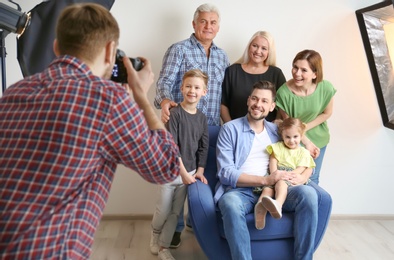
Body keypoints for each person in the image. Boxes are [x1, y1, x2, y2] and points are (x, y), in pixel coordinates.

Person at [0, 3, 180, 259]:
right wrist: (140, 96)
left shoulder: (14, 93)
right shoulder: (109, 99)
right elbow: (167, 167)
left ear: (56, 46)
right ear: (110, 51)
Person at [214, 80, 319, 260]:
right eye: (254, 99)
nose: (258, 104)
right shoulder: (230, 129)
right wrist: (265, 180)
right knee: (229, 203)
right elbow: (225, 172)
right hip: (242, 191)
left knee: (309, 195)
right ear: (248, 101)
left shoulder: (277, 130)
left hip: (278, 189)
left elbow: (297, 143)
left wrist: (301, 175)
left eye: (264, 101)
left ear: (272, 106)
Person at [154, 3, 229, 246]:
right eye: (204, 21)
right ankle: (172, 231)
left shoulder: (222, 55)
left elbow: (223, 94)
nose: (208, 26)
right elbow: (164, 82)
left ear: (218, 27)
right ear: (194, 24)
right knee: (179, 180)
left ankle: (194, 222)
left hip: (212, 128)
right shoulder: (179, 50)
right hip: (183, 126)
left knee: (203, 178)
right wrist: (165, 101)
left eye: (213, 22)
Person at [150, 69, 209, 260]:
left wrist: (199, 171)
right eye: (189, 86)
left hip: (189, 173)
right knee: (163, 210)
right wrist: (183, 173)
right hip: (171, 172)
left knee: (176, 213)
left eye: (197, 87)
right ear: (182, 88)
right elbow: (173, 147)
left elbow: (204, 146)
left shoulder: (202, 118)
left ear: (204, 92)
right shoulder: (174, 114)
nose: (192, 90)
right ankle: (155, 233)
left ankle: (163, 247)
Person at [276, 49, 336, 184]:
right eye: (295, 67)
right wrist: (306, 141)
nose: (297, 73)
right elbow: (288, 124)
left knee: (313, 179)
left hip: (318, 140)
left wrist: (304, 127)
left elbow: (327, 113)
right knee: (292, 181)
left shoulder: (325, 88)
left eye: (304, 70)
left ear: (315, 74)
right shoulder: (283, 93)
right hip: (293, 140)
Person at [254, 117, 316, 230]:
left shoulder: (303, 152)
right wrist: (274, 174)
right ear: (282, 135)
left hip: (290, 176)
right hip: (276, 174)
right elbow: (273, 161)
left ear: (301, 136)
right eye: (287, 137)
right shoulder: (278, 147)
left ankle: (278, 204)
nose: (291, 140)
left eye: (295, 137)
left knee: (281, 184)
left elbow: (301, 167)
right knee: (267, 190)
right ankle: (260, 209)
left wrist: (287, 175)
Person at [221, 30, 286, 123]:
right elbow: (223, 103)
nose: (258, 51)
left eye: (264, 48)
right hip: (235, 132)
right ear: (249, 47)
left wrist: (274, 125)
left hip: (267, 133)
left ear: (269, 52)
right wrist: (231, 127)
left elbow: (282, 105)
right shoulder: (232, 71)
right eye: (255, 46)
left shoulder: (276, 74)